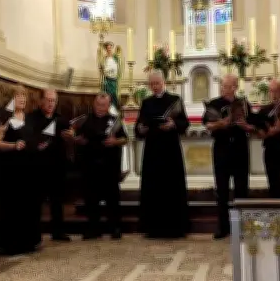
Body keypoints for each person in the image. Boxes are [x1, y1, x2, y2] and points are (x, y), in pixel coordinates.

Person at [134, 70, 190, 239]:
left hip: (170, 150)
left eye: (157, 83)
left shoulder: (175, 100)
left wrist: (174, 124)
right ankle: (153, 227)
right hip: (153, 150)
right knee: (153, 188)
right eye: (151, 84)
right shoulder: (146, 102)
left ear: (163, 82)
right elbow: (139, 126)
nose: (154, 87)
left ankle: (175, 227)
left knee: (172, 187)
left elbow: (184, 123)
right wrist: (141, 129)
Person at [65, 93, 127, 240]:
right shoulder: (85, 119)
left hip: (109, 166)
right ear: (94, 104)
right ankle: (93, 228)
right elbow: (71, 131)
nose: (100, 108)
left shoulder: (115, 120)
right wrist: (76, 139)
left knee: (112, 199)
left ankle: (115, 228)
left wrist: (115, 142)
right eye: (98, 104)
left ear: (108, 105)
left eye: (104, 105)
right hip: (90, 165)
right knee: (91, 198)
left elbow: (125, 139)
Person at [203, 74, 254, 239]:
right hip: (222, 148)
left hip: (239, 148)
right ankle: (223, 227)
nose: (222, 88)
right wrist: (221, 123)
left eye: (225, 86)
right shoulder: (214, 104)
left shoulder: (243, 104)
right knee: (222, 190)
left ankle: (242, 227)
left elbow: (254, 125)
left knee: (241, 188)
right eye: (222, 85)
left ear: (234, 87)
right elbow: (208, 125)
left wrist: (245, 126)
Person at [0, 86, 42, 255]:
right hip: (11, 169)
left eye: (24, 96)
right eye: (18, 96)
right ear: (10, 99)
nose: (22, 99)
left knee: (26, 205)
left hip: (28, 168)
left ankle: (27, 241)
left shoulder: (29, 118)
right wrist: (13, 145)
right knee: (12, 206)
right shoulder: (5, 118)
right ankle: (11, 244)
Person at [28, 88, 71, 242]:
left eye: (53, 101)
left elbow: (69, 137)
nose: (51, 103)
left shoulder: (61, 119)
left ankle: (58, 231)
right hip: (38, 165)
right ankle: (34, 233)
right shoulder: (31, 118)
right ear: (41, 101)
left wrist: (70, 135)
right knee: (36, 201)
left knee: (57, 200)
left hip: (57, 165)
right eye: (48, 100)